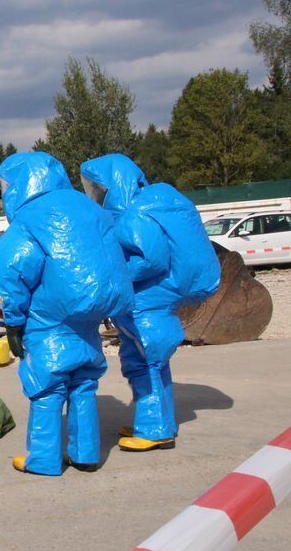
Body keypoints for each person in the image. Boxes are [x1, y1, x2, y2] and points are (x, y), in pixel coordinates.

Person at [0, 152, 134, 476]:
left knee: (47, 383)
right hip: (90, 311)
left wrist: (14, 321)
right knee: (83, 381)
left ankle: (43, 459)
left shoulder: (30, 217)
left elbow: (14, 269)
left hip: (49, 314)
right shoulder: (88, 208)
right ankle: (84, 453)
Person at [80, 154, 220, 452]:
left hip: (148, 301)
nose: (93, 193)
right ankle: (154, 420)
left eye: (95, 187)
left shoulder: (134, 215)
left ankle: (155, 428)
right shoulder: (147, 206)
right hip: (154, 298)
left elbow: (151, 259)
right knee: (146, 359)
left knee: (147, 362)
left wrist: (115, 277)